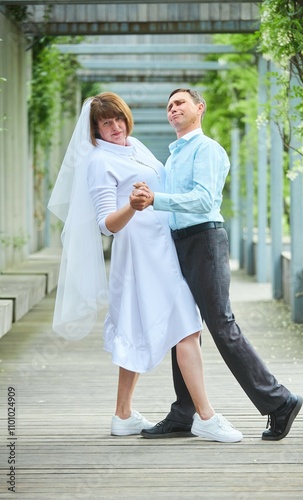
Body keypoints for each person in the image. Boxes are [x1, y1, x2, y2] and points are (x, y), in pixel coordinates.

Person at [48, 92, 243, 443]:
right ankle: (206, 416)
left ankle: (123, 414)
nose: (115, 127)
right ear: (95, 131)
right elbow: (106, 224)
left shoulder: (135, 145)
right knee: (186, 325)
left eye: (119, 119)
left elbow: (165, 186)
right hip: (140, 254)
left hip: (165, 244)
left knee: (136, 328)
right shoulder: (98, 161)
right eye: (106, 124)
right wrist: (133, 207)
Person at [130, 88, 303, 441]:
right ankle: (183, 413)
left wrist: (156, 199)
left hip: (204, 240)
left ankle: (279, 400)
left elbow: (204, 199)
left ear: (199, 107)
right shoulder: (175, 155)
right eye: (169, 106)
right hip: (180, 244)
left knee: (221, 325)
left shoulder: (206, 149)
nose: (173, 109)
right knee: (182, 327)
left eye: (180, 103)